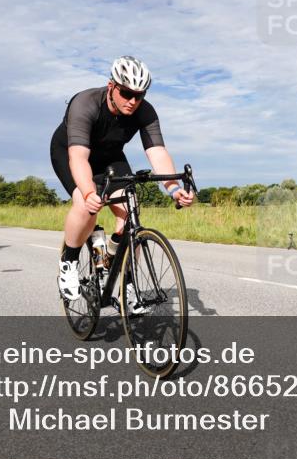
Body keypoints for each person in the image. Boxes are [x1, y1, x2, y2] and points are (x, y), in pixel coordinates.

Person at [50, 56, 194, 304]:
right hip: (71, 152)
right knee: (86, 207)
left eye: (140, 95)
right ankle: (68, 263)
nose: (133, 101)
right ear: (111, 86)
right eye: (127, 93)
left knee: (130, 214)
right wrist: (87, 192)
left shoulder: (145, 111)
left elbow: (157, 151)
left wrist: (173, 187)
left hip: (109, 157)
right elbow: (78, 157)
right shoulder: (85, 104)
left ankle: (126, 285)